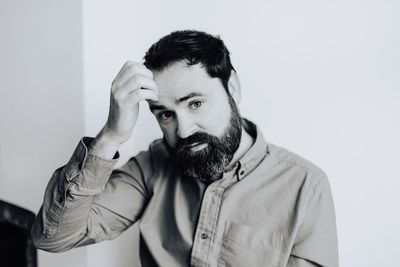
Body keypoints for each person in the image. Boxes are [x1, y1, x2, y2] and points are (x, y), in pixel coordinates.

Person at [31, 30, 338, 267]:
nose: (184, 129)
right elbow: (52, 237)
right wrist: (111, 135)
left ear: (233, 87)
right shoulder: (152, 166)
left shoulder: (305, 186)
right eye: (165, 114)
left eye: (196, 103)